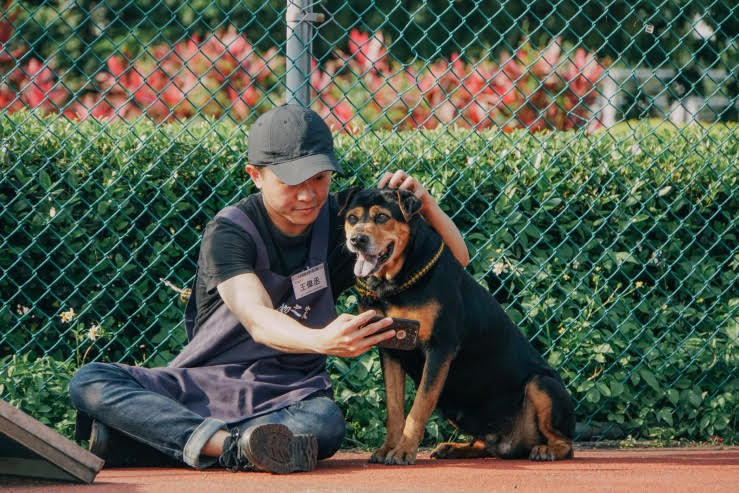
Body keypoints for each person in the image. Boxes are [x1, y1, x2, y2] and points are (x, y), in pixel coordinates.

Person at [69, 104, 469, 473]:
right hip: (205, 386)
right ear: (256, 175)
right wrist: (322, 340)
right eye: (292, 181)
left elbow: (458, 265)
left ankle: (158, 442)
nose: (309, 194)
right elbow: (258, 318)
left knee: (325, 423)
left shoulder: (345, 226)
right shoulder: (230, 232)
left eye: (319, 178)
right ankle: (234, 447)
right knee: (90, 379)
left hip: (288, 397)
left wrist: (426, 204)